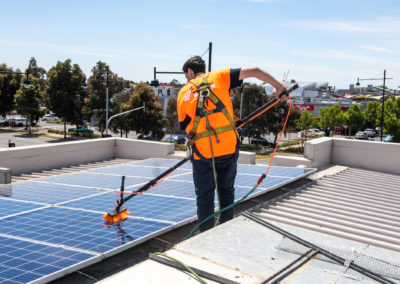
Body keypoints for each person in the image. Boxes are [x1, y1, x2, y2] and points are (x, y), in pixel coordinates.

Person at [177, 56, 287, 232]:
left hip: (203, 154)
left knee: (205, 197)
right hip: (228, 148)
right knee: (226, 192)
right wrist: (279, 87)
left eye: (186, 76)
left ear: (189, 72)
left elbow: (185, 127)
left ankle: (206, 237)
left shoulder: (184, 92)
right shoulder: (220, 77)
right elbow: (256, 71)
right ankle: (225, 232)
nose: (187, 80)